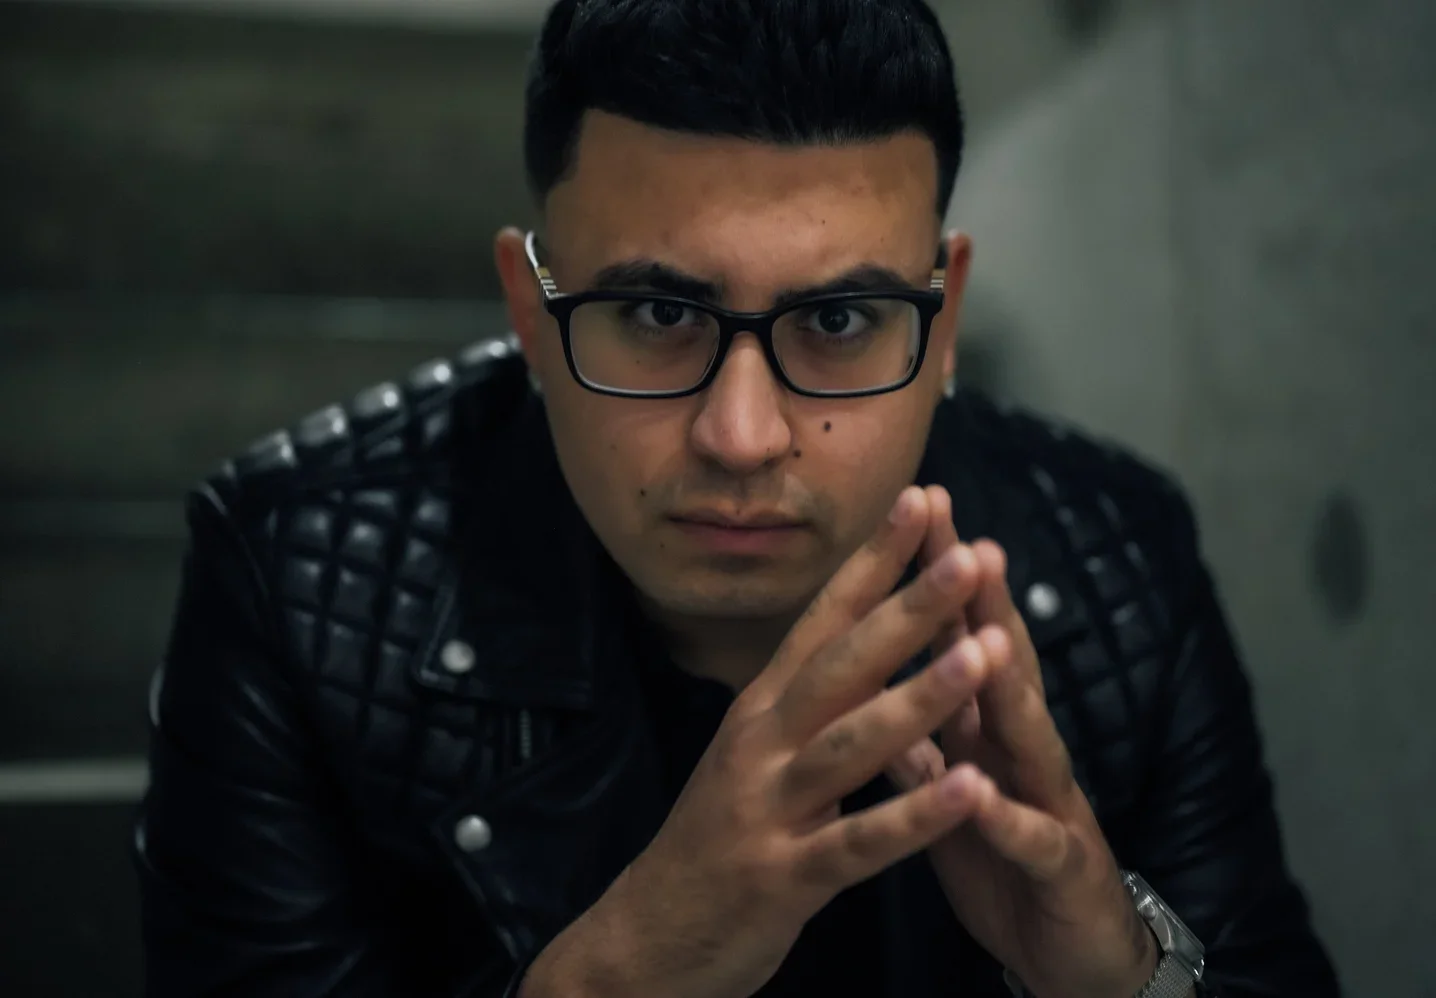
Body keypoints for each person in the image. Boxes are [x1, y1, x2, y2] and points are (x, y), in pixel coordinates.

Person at [134, 1, 1341, 995]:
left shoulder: (1114, 559)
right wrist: (618, 974)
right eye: (659, 315)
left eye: (838, 319)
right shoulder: (296, 575)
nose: (743, 434)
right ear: (529, 313)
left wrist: (1125, 977)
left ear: (946, 314)